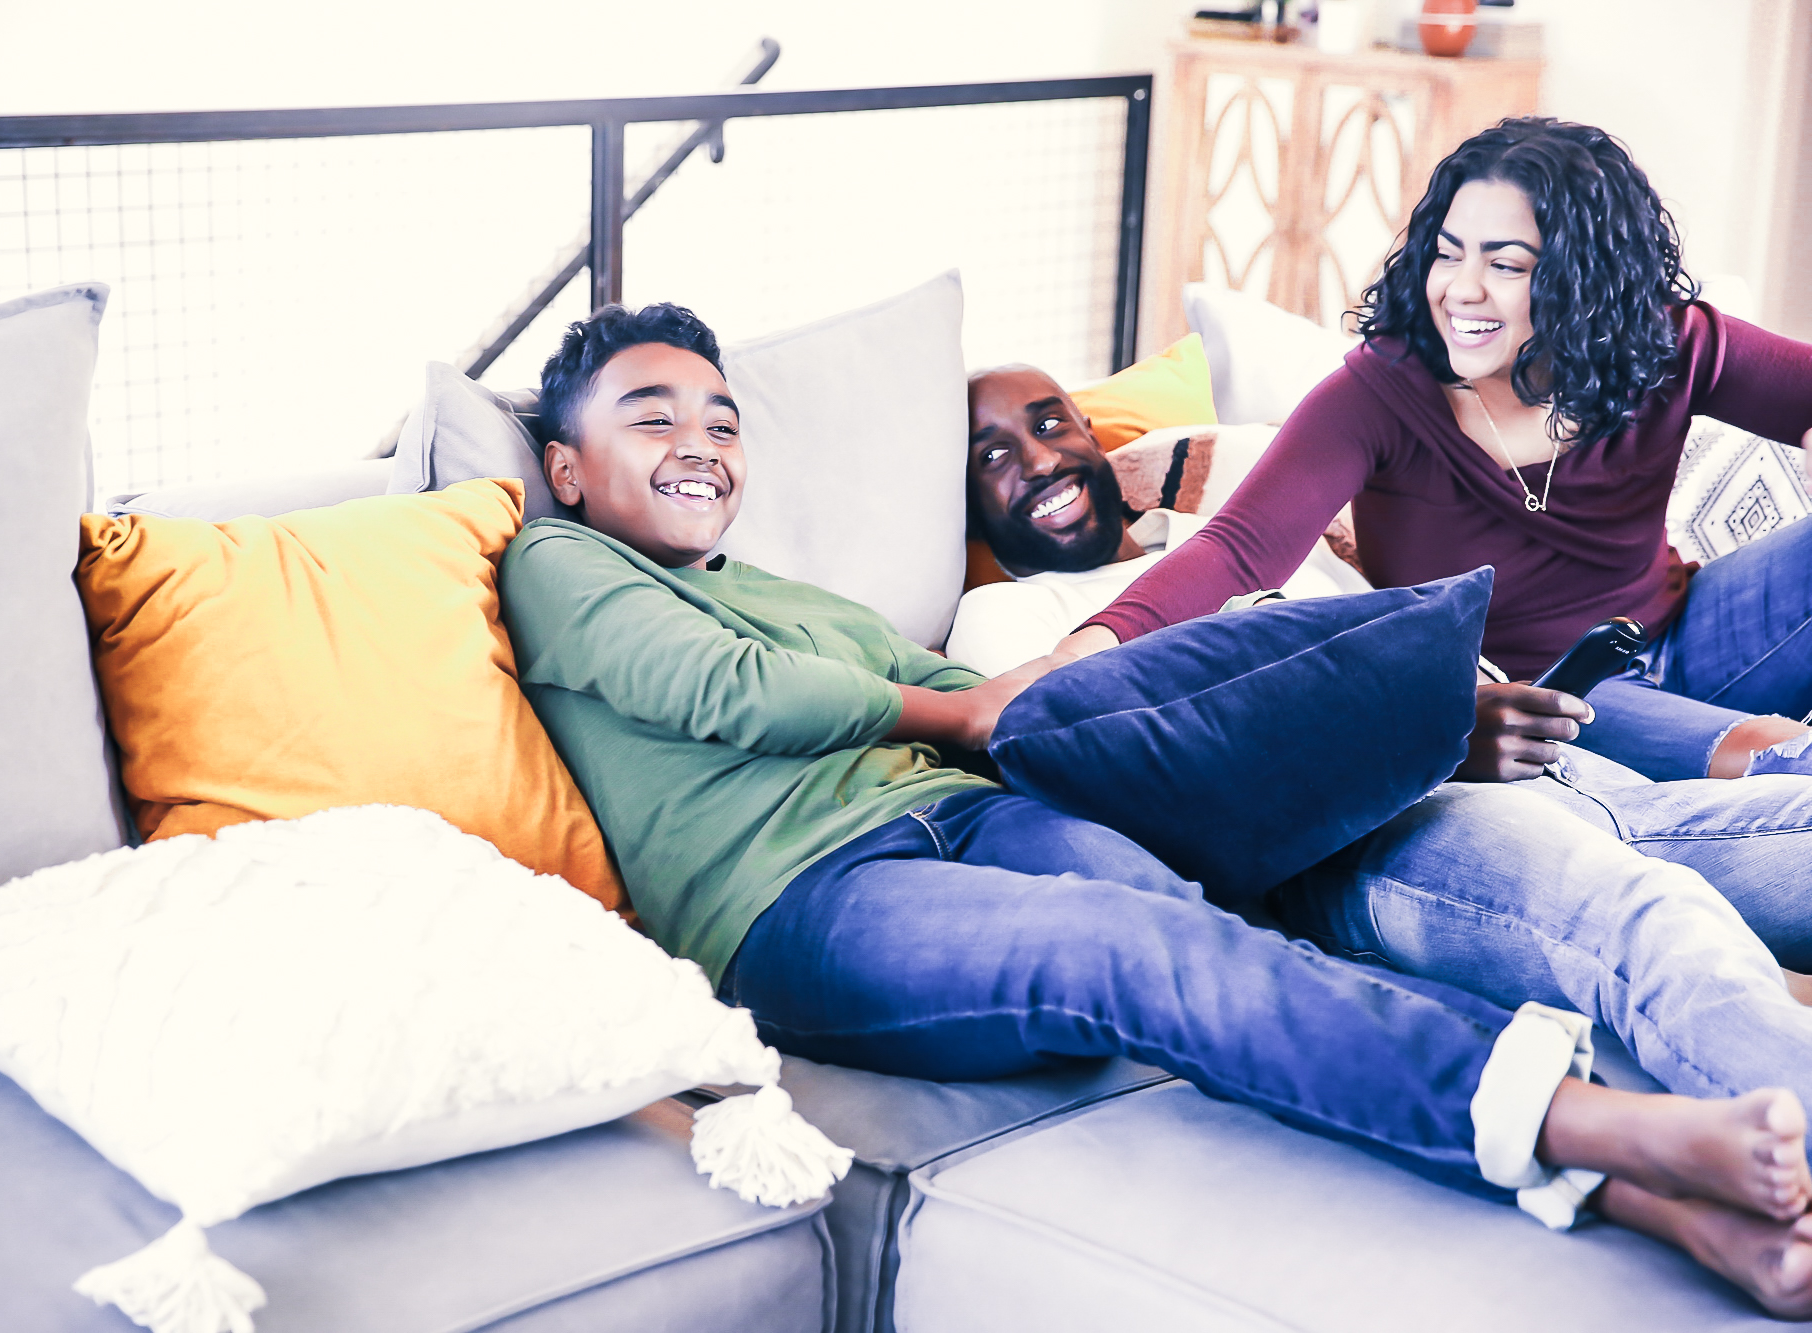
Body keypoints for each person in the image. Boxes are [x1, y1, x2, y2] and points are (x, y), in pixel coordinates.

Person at [499, 300, 1812, 1316]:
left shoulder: (805, 600)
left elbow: (978, 690)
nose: (701, 444)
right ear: (566, 463)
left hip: (973, 812)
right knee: (1128, 955)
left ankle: (1654, 1198)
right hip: (804, 899)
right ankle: (1606, 1126)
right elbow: (733, 690)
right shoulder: (557, 562)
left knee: (1219, 949)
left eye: (723, 421)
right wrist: (961, 714)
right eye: (653, 414)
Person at [956, 358, 1812, 1065]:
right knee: (1655, 921)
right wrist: (1428, 733)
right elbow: (1126, 780)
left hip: (1539, 757)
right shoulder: (1011, 623)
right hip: (1374, 829)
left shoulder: (1230, 536)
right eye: (991, 457)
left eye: (1050, 423)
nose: (1036, 460)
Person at [1070, 118, 1812, 790]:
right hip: (1553, 692)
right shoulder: (1380, 394)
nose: (1461, 290)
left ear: (1584, 282)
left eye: (1506, 264)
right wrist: (1067, 661)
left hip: (1695, 628)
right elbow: (1237, 551)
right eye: (1447, 254)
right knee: (1779, 764)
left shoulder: (1664, 344)